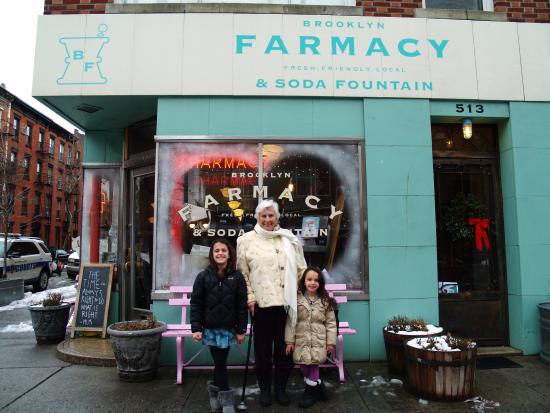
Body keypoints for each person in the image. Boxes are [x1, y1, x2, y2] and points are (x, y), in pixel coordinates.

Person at [236, 199, 306, 407]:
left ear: (277, 217)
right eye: (263, 216)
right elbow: (242, 275)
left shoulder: (289, 239)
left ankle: (281, 390)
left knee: (284, 351)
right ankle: (265, 390)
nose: (267, 219)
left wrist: (302, 295)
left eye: (271, 215)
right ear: (257, 217)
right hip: (261, 306)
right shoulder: (245, 241)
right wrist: (250, 298)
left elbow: (301, 269)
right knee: (263, 353)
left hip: (287, 305)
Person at [191, 238, 248, 413]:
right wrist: (196, 328)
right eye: (217, 250)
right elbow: (196, 303)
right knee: (220, 363)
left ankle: (214, 393)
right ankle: (227, 401)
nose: (220, 253)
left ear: (229, 254)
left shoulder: (237, 277)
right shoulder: (203, 276)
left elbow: (242, 305)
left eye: (224, 250)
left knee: (220, 363)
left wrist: (241, 329)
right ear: (212, 254)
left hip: (229, 328)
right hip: (211, 328)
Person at [285, 266, 337, 408]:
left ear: (320, 283)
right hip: (301, 339)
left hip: (318, 340)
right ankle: (318, 386)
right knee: (303, 364)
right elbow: (290, 322)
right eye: (309, 279)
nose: (312, 283)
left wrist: (330, 343)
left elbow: (331, 323)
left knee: (313, 363)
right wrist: (289, 341)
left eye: (316, 280)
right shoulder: (297, 300)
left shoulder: (325, 300)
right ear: (304, 281)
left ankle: (309, 393)